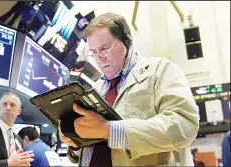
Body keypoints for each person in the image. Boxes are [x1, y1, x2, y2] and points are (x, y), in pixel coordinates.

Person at [59, 12, 200, 166]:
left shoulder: (160, 70)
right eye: (93, 53)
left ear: (126, 41)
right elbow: (89, 148)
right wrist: (75, 142)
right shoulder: (96, 88)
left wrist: (110, 131)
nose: (99, 58)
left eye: (104, 49)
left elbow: (185, 126)